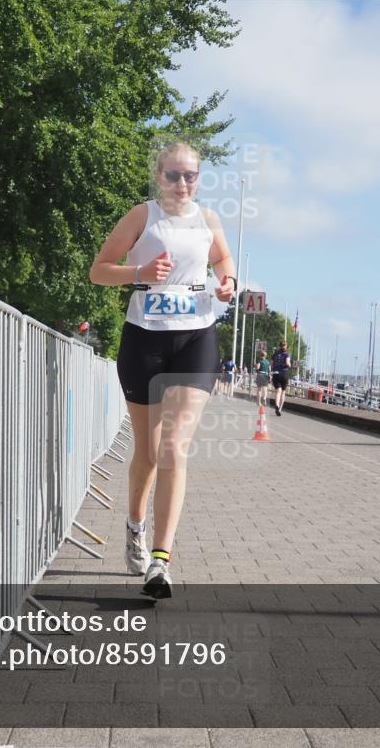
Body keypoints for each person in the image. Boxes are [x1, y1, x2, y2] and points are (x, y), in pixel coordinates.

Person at [89, 141, 236, 598]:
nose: (182, 183)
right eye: (173, 174)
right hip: (144, 340)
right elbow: (98, 270)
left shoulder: (208, 220)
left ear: (199, 178)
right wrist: (141, 272)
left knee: (174, 446)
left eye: (190, 175)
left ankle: (160, 560)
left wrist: (228, 282)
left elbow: (223, 261)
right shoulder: (142, 215)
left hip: (196, 336)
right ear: (159, 176)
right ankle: (135, 525)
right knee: (149, 454)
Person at [270, 340, 292, 416]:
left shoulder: (275, 354)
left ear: (279, 346)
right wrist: (289, 365)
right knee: (283, 392)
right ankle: (280, 409)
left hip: (276, 373)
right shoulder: (287, 354)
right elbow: (287, 363)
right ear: (286, 346)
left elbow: (272, 365)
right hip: (284, 373)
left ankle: (277, 404)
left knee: (278, 391)